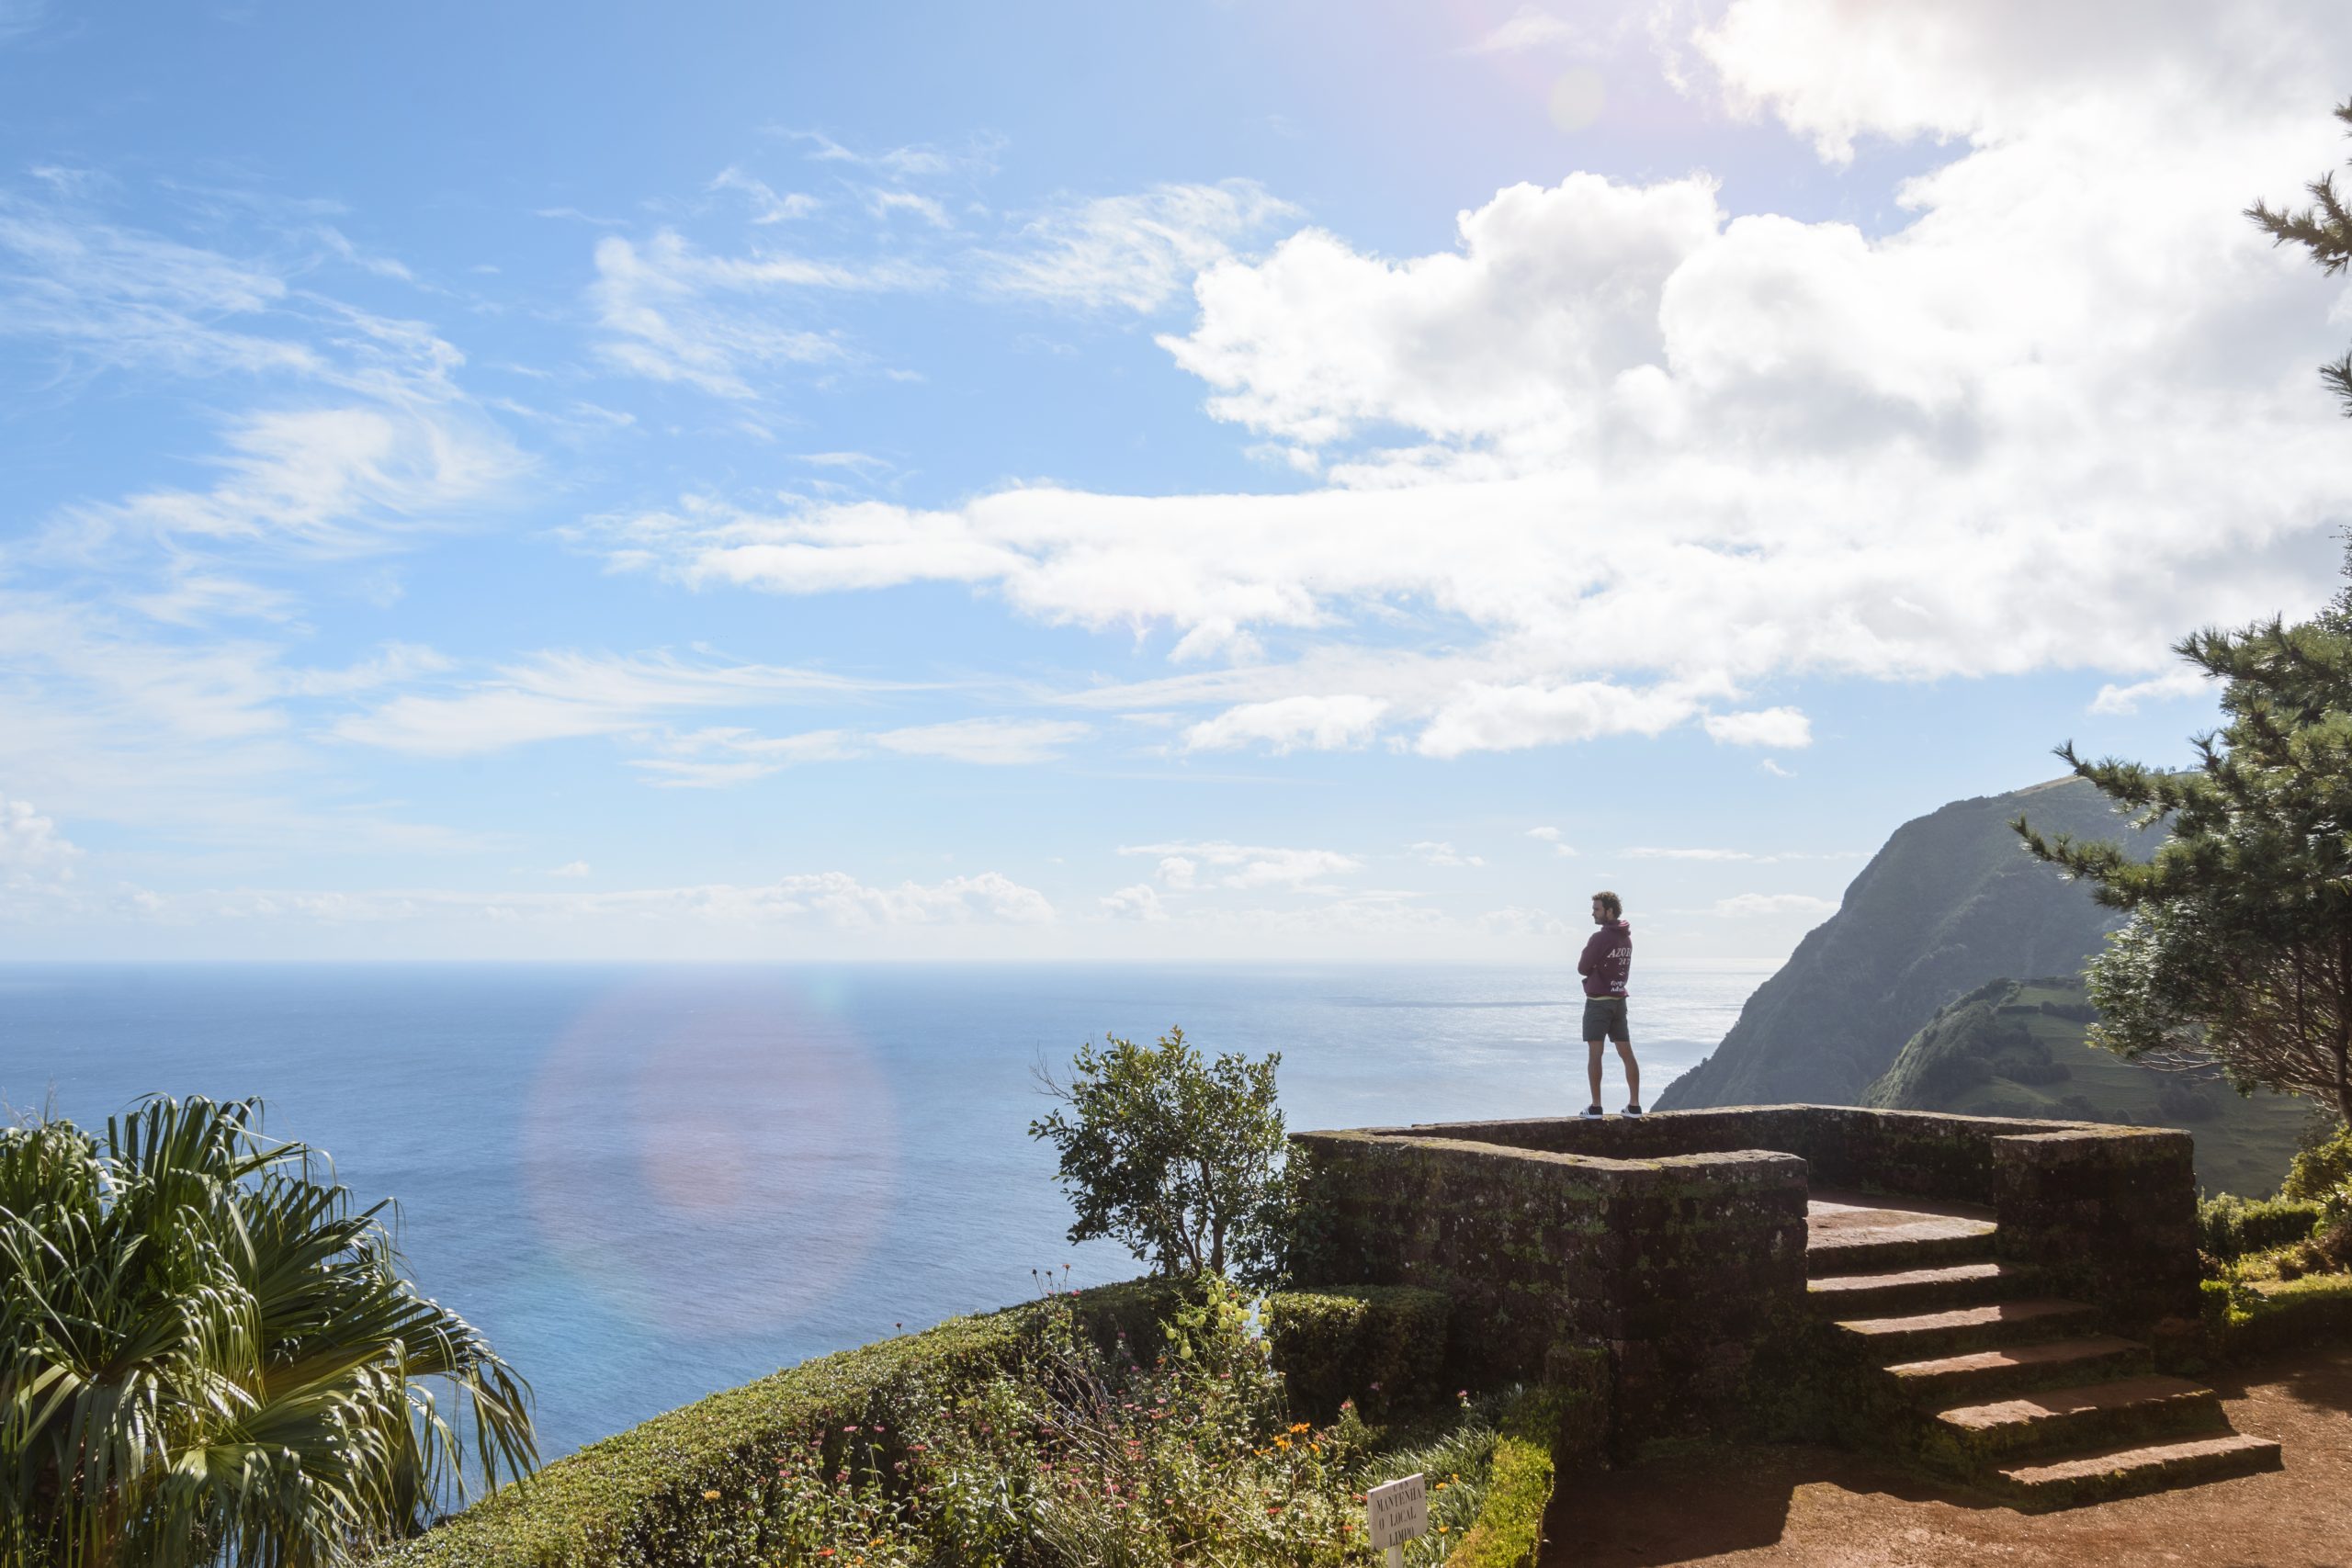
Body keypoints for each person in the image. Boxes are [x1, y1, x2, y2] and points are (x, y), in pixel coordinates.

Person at [1577, 890, 1637, 1116]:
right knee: (1626, 1052)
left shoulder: (1600, 938)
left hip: (1599, 1002)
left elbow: (1582, 967)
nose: (1593, 913)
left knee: (1595, 1054)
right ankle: (1634, 1105)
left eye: (1597, 909)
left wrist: (1594, 968)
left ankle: (1596, 1107)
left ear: (1609, 910)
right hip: (1619, 1000)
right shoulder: (1626, 937)